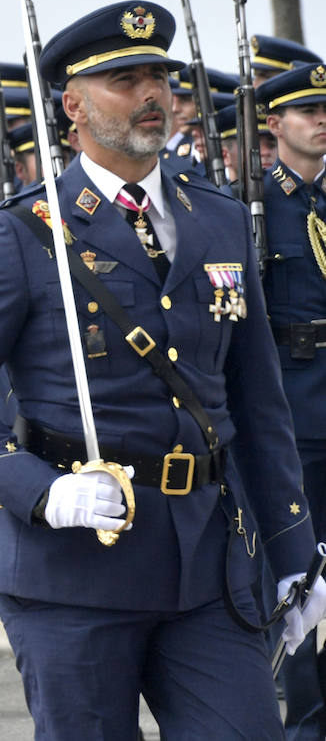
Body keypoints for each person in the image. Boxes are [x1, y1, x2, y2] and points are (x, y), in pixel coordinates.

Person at [0, 0, 323, 738]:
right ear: (72, 107)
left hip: (206, 561)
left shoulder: (218, 217)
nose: (151, 94)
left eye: (158, 77)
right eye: (124, 80)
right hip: (74, 565)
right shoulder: (21, 232)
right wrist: (40, 491)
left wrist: (294, 550)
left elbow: (257, 400)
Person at [256, 62, 326, 738]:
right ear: (274, 125)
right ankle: (305, 717)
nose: (322, 121)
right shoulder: (253, 209)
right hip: (292, 406)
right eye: (309, 112)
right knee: (298, 575)